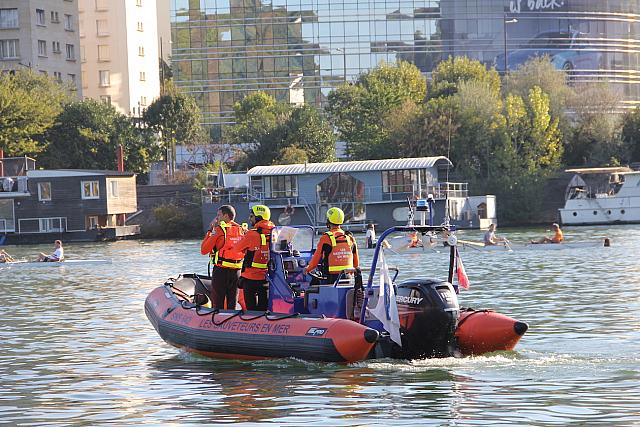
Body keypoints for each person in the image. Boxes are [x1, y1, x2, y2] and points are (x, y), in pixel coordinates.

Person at [231, 205, 275, 311]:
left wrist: (244, 237)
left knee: (251, 309)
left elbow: (235, 249)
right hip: (267, 278)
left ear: (258, 217)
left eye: (251, 216)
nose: (250, 219)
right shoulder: (276, 233)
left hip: (250, 278)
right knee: (264, 309)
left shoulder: (251, 234)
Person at [200, 205, 245, 309]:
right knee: (232, 301)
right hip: (236, 271)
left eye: (218, 215)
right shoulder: (242, 230)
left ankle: (217, 323)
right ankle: (232, 322)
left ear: (225, 216)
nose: (217, 218)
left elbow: (204, 250)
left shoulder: (220, 230)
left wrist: (209, 230)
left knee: (218, 302)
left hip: (221, 271)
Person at [303, 207, 359, 284]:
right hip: (347, 277)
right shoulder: (350, 237)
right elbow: (356, 263)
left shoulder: (326, 238)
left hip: (332, 278)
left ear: (328, 221)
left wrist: (307, 269)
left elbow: (316, 259)